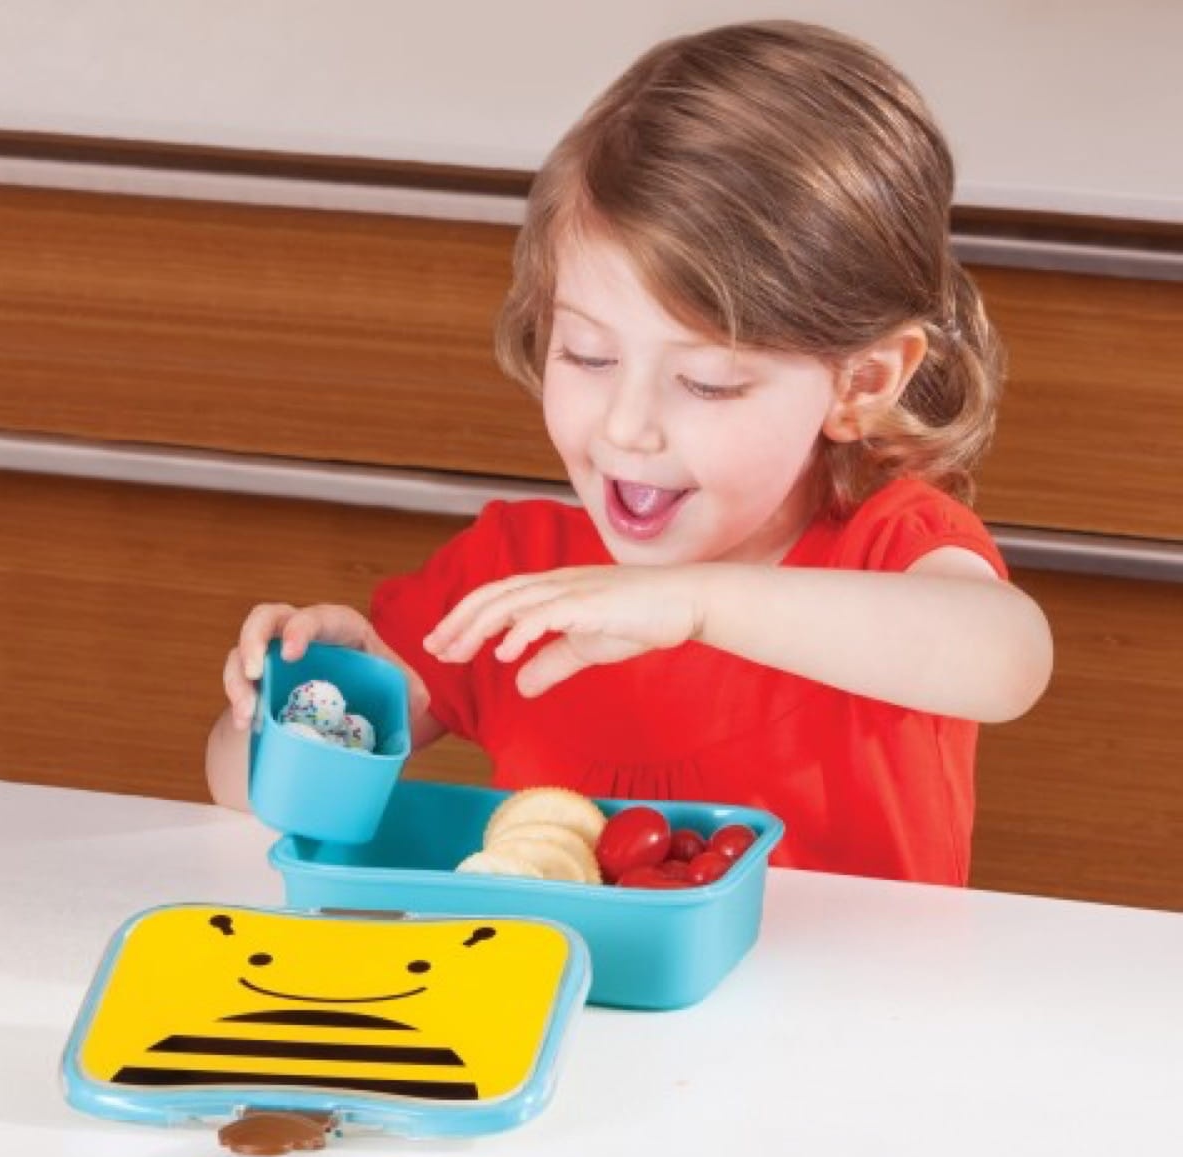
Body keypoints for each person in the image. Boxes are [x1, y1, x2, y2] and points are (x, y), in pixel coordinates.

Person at [207, 20, 1053, 885]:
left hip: (853, 980)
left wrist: (694, 603)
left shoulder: (888, 550)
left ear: (860, 382)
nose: (627, 428)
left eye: (708, 383)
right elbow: (244, 798)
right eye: (588, 356)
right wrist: (297, 708)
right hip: (556, 976)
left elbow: (1008, 659)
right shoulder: (513, 576)